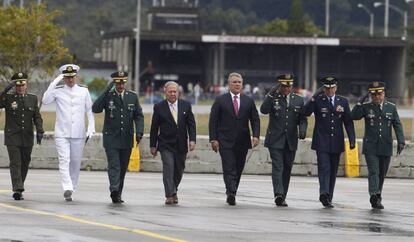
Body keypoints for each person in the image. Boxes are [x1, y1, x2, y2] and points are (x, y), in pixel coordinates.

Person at [42, 64, 95, 201]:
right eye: (67, 78)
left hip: (78, 133)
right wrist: (54, 82)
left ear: (76, 77)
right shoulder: (58, 90)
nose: (70, 80)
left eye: (72, 77)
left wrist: (91, 128)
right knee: (64, 160)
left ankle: (72, 187)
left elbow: (89, 111)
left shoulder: (84, 91)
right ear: (63, 78)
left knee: (75, 162)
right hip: (62, 133)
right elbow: (45, 100)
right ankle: (67, 187)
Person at [303, 76, 355, 208]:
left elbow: (348, 122)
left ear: (336, 88)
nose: (329, 90)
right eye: (327, 88)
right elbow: (306, 112)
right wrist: (313, 98)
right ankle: (324, 193)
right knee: (324, 168)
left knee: (332, 171)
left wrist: (352, 139)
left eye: (332, 88)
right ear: (324, 89)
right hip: (322, 141)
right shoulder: (318, 100)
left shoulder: (342, 101)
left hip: (336, 142)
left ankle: (328, 197)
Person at [351, 81, 405, 209]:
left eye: (379, 94)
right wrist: (359, 102)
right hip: (371, 146)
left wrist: (401, 141)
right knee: (373, 171)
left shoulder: (391, 107)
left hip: (385, 145)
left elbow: (397, 124)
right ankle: (373, 195)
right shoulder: (366, 107)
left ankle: (378, 194)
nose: (377, 97)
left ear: (384, 93)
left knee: (382, 173)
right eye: (374, 95)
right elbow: (353, 116)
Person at [209, 72, 260, 206]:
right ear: (229, 84)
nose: (237, 84)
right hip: (225, 140)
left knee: (238, 167)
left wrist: (255, 135)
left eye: (239, 82)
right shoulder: (220, 100)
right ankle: (230, 192)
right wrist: (213, 139)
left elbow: (255, 119)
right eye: (234, 82)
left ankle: (233, 190)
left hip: (242, 141)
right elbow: (213, 121)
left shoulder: (248, 101)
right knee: (229, 166)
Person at [92, 71, 144, 203]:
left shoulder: (132, 97)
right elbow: (95, 108)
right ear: (114, 82)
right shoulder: (108, 96)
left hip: (126, 138)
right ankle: (114, 190)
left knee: (122, 167)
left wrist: (139, 131)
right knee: (114, 165)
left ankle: (118, 193)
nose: (120, 85)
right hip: (111, 138)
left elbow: (138, 116)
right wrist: (106, 91)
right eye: (118, 82)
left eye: (122, 82)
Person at [260, 74, 307, 207]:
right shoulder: (273, 97)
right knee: (278, 166)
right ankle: (278, 194)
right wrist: (270, 94)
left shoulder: (298, 100)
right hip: (275, 139)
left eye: (289, 86)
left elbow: (302, 118)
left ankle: (283, 196)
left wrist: (302, 130)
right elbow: (263, 110)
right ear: (279, 85)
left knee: (287, 168)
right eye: (284, 86)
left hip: (290, 139)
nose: (287, 88)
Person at [150, 81, 196, 205]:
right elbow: (154, 128)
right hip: (165, 144)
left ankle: (174, 190)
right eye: (170, 91)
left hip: (181, 144)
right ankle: (169, 195)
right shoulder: (159, 107)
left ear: (178, 92)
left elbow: (191, 125)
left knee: (179, 170)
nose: (172, 94)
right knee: (168, 168)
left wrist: (192, 140)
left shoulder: (186, 105)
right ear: (165, 93)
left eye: (174, 91)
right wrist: (153, 145)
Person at [0, 72, 44, 200]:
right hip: (12, 136)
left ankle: (19, 186)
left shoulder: (32, 98)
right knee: (15, 163)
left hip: (27, 136)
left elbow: (37, 116)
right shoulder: (8, 98)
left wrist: (40, 130)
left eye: (22, 85)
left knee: (25, 162)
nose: (20, 87)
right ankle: (17, 189)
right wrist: (6, 89)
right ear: (14, 86)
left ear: (26, 85)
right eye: (17, 85)